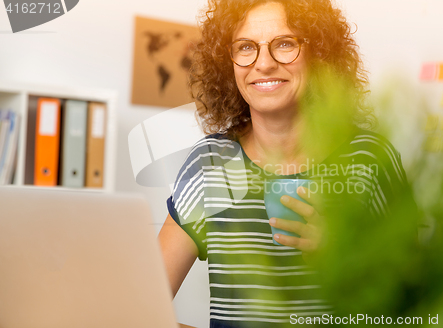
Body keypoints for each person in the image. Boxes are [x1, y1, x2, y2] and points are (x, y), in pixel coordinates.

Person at [158, 0, 411, 327]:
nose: (264, 64)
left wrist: (341, 259)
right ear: (228, 62)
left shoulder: (368, 160)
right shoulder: (210, 165)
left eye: (285, 44)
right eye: (246, 47)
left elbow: (422, 305)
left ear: (319, 54)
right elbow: (144, 301)